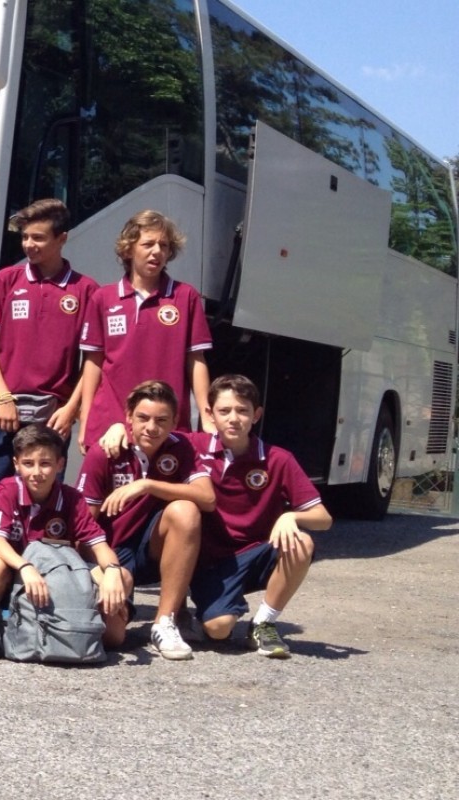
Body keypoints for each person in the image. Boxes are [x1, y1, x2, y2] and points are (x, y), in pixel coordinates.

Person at [188, 375, 329, 658]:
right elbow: (149, 430)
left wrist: (292, 517)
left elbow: (323, 518)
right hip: (211, 564)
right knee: (218, 630)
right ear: (210, 414)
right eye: (224, 411)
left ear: (257, 415)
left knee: (302, 542)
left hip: (255, 555)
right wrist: (118, 427)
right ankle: (214, 609)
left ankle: (264, 622)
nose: (234, 419)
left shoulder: (278, 458)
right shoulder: (193, 446)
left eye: (242, 410)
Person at [0, 199, 97, 513]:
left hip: (50, 415)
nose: (29, 244)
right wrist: (2, 397)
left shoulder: (86, 290)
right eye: (25, 237)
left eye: (38, 238)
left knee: (40, 503)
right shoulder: (7, 280)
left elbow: (94, 360)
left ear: (62, 238)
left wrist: (71, 410)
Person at [77, 380, 214, 660]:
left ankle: (165, 622)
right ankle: (120, 604)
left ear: (175, 421)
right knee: (113, 637)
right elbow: (82, 526)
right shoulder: (105, 452)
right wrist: (103, 569)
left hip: (152, 549)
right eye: (143, 418)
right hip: (110, 552)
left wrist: (147, 485)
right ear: (128, 417)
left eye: (162, 420)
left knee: (186, 510)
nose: (152, 427)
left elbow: (207, 498)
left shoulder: (182, 447)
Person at [0, 424, 123, 651]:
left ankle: (80, 630)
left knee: (117, 625)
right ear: (16, 464)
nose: (36, 472)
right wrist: (25, 567)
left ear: (59, 464)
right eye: (28, 464)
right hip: (16, 571)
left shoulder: (72, 498)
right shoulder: (7, 489)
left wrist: (113, 571)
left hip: (53, 577)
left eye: (45, 464)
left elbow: (98, 543)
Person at [77, 210, 212, 452]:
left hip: (164, 426)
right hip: (110, 423)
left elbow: (196, 359)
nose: (157, 251)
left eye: (164, 245)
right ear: (128, 249)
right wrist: (86, 418)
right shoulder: (103, 298)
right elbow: (93, 362)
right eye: (148, 244)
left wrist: (206, 413)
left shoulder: (185, 296)